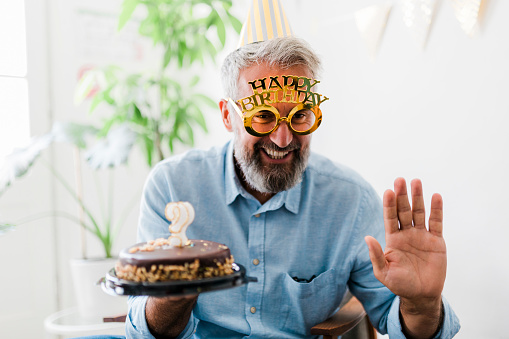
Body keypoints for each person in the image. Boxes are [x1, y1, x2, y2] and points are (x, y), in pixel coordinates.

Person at [125, 4, 460, 339]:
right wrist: (172, 296)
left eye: (299, 115)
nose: (283, 138)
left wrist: (422, 305)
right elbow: (143, 332)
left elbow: (396, 320)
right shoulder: (172, 186)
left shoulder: (352, 202)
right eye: (264, 116)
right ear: (228, 116)